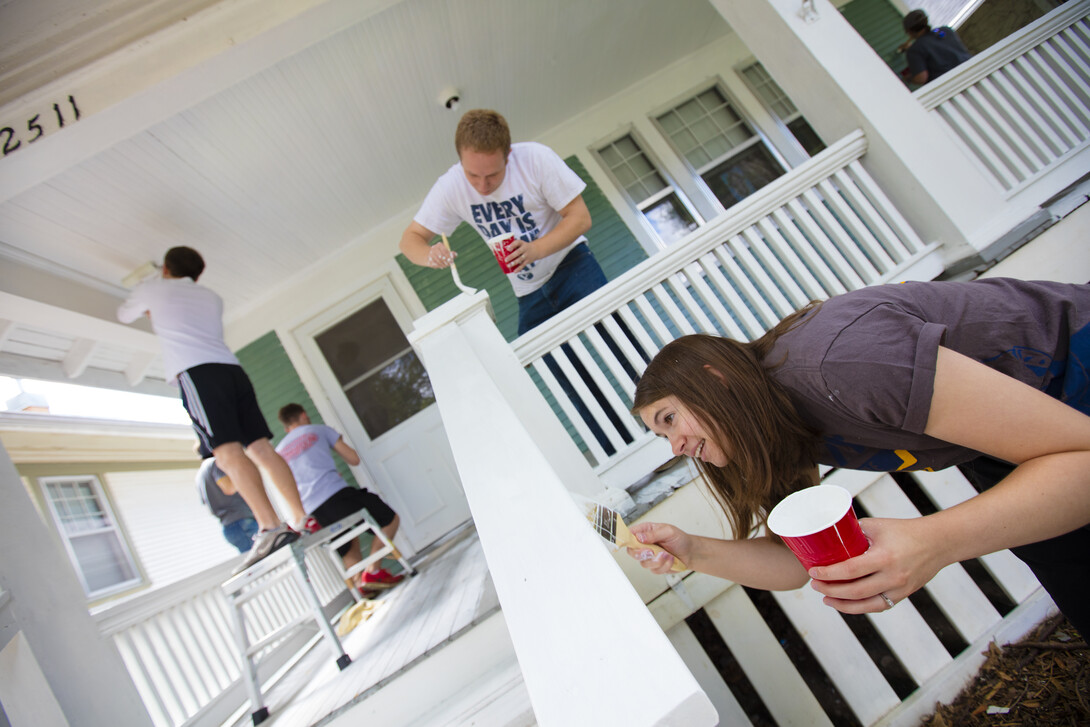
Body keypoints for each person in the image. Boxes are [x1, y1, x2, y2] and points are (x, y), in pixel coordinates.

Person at [625, 278, 1090, 637]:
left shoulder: (840, 362)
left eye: (669, 419)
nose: (676, 447)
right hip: (1007, 444)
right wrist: (695, 550)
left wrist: (933, 541)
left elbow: (1083, 453)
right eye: (661, 437)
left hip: (1073, 370)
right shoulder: (778, 431)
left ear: (717, 380)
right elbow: (796, 563)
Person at [399, 108, 634, 454]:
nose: (482, 186)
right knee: (562, 374)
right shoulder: (451, 186)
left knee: (619, 347)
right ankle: (621, 448)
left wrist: (536, 249)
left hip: (573, 266)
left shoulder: (536, 159)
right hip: (529, 293)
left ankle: (671, 429)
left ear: (508, 154)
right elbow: (410, 240)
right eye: (472, 175)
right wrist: (429, 254)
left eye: (492, 175)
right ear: (460, 160)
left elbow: (580, 218)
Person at [118, 246, 307, 573]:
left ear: (165, 268)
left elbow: (124, 314)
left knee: (226, 453)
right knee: (260, 447)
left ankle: (270, 527)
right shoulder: (210, 297)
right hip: (232, 370)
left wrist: (147, 289)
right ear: (196, 273)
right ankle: (303, 517)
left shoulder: (153, 288)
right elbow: (178, 316)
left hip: (197, 374)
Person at [275, 403, 405, 591]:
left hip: (312, 510)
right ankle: (373, 571)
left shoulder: (278, 453)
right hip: (336, 494)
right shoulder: (319, 430)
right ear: (303, 415)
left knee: (346, 544)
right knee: (390, 519)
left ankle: (361, 587)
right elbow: (353, 459)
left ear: (286, 428)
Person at [197, 456, 259, 553]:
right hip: (243, 522)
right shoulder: (215, 464)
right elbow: (228, 487)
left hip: (229, 527)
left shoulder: (199, 476)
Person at [900, 9, 972, 85]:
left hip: (954, 84)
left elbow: (921, 78)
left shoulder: (914, 50)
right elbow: (937, 45)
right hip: (973, 70)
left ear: (910, 31)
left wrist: (909, 78)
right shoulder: (945, 30)